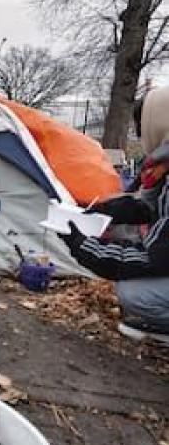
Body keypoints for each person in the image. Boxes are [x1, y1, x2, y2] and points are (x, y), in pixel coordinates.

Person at [59, 87, 169, 346]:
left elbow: (156, 258)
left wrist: (84, 246)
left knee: (133, 292)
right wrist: (112, 211)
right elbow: (153, 209)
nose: (141, 136)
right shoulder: (161, 170)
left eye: (142, 128)